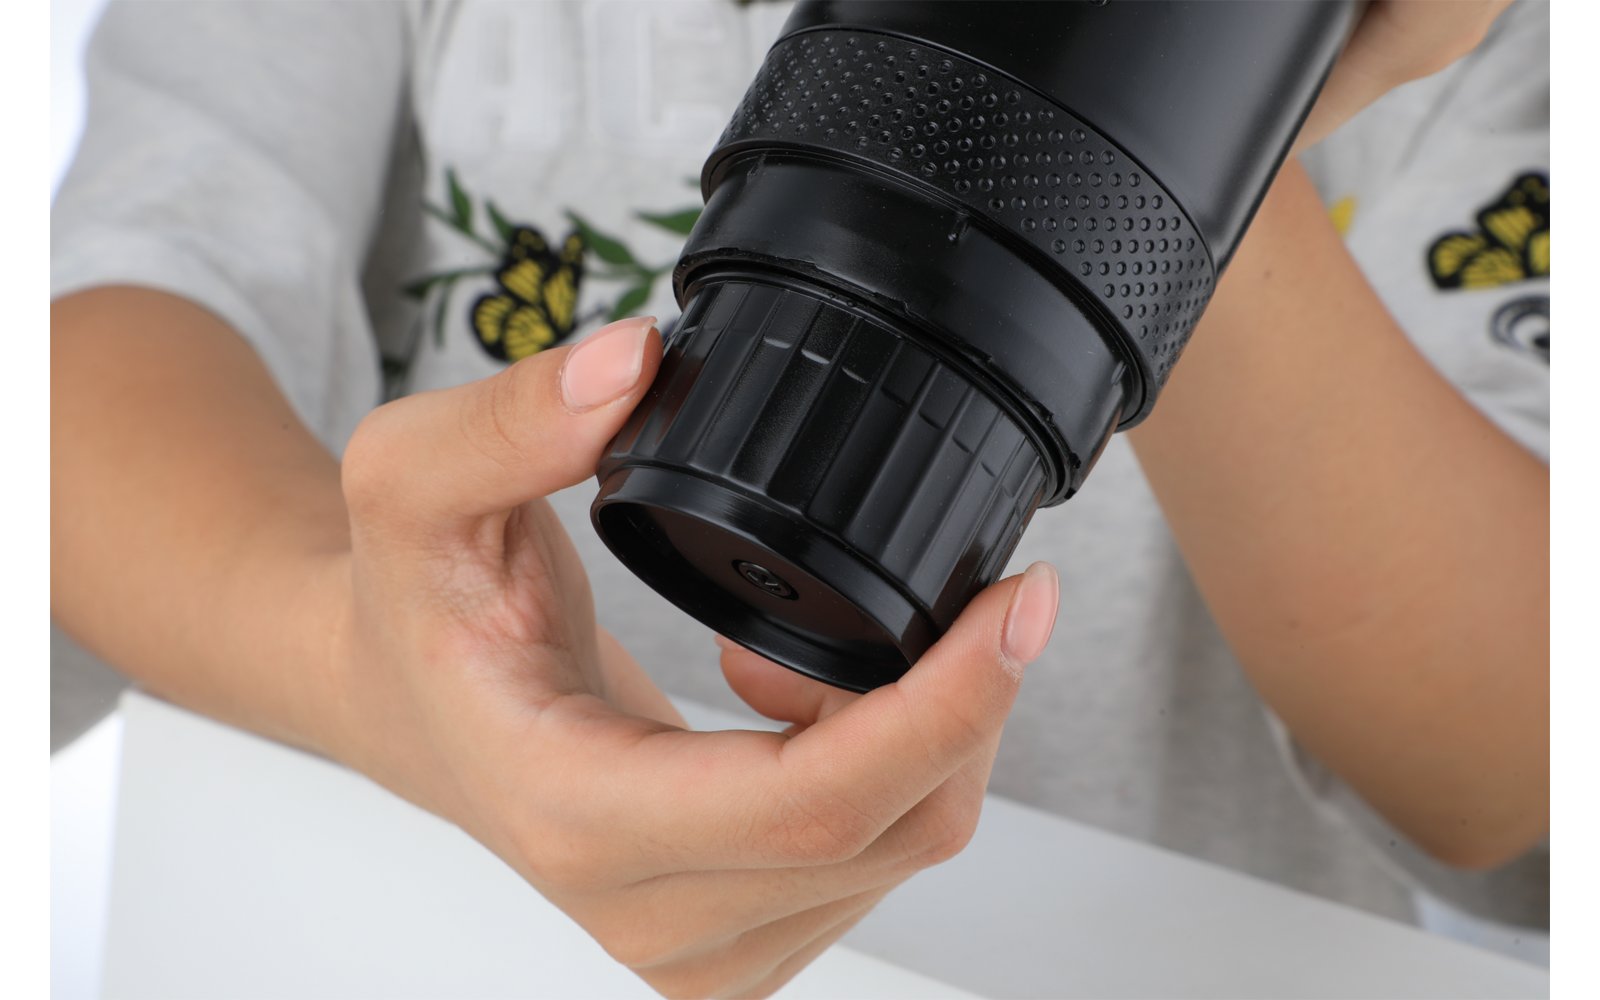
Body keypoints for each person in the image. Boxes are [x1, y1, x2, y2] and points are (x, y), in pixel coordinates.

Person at [51, 0, 1547, 994]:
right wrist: (355, 662)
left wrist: (1199, 96)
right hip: (364, 941)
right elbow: (100, 354)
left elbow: (1506, 753)